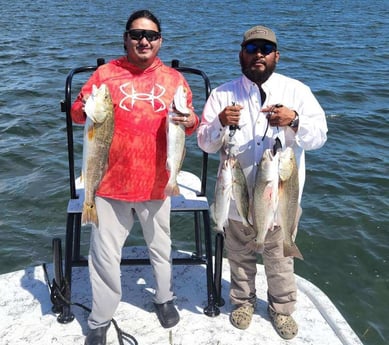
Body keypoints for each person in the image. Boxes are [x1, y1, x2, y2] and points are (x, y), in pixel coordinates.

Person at [71, 9, 199, 345]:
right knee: (103, 255)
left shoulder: (174, 80)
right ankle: (100, 317)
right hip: (109, 182)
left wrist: (190, 121)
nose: (144, 41)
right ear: (126, 38)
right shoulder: (105, 74)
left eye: (151, 36)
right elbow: (76, 114)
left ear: (160, 41)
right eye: (137, 34)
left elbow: (192, 122)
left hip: (158, 182)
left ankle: (164, 297)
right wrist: (83, 104)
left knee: (161, 247)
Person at [197, 25, 327, 340]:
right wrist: (219, 123)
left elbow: (319, 137)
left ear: (276, 56)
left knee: (280, 258)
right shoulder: (222, 94)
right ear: (241, 54)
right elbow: (204, 142)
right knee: (239, 256)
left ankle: (281, 309)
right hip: (237, 195)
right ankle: (242, 302)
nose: (259, 55)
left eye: (265, 50)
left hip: (280, 197)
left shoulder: (297, 91)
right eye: (252, 48)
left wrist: (294, 120)